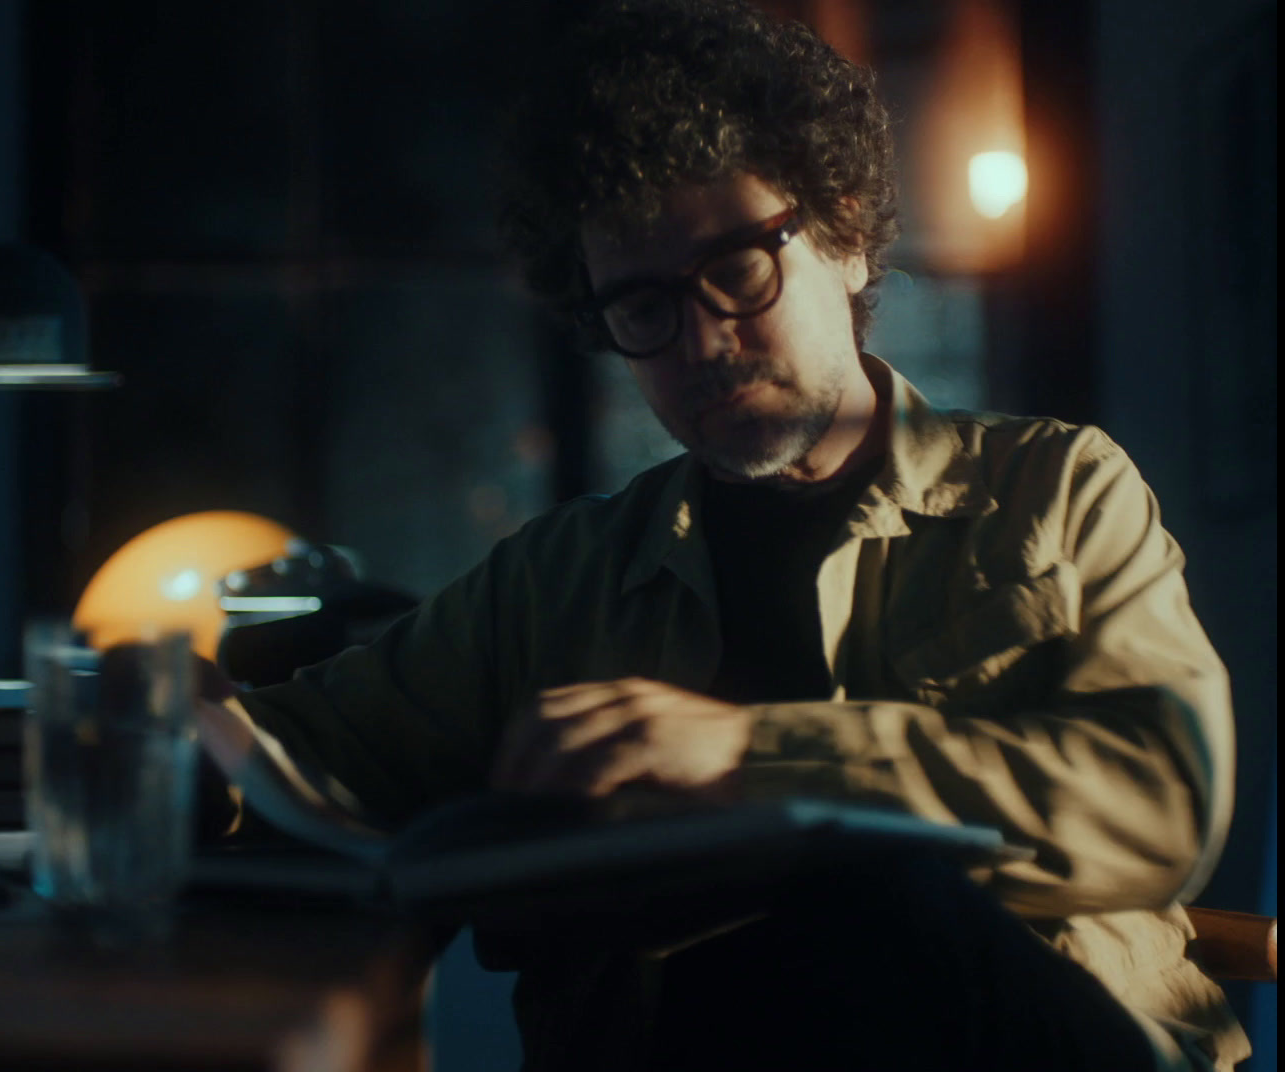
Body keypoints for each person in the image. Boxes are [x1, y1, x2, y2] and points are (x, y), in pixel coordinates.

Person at [193, 1, 1249, 1068]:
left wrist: (748, 755)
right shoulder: (561, 580)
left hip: (1023, 1040)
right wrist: (143, 727)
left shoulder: (1057, 488)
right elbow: (292, 756)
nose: (701, 342)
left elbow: (1165, 797)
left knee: (881, 902)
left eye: (738, 269)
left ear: (839, 232)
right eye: (643, 308)